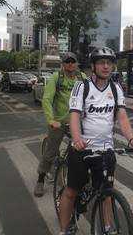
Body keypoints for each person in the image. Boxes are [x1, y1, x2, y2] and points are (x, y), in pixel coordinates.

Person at [58, 47, 133, 235]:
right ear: (93, 66)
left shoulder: (115, 88)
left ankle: (107, 228)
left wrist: (131, 139)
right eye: (101, 62)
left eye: (109, 63)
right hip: (82, 149)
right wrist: (77, 139)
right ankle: (64, 230)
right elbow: (74, 115)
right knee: (71, 192)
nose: (106, 66)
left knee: (106, 192)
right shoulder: (82, 87)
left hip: (106, 149)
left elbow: (121, 116)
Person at [34, 52, 86, 197]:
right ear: (62, 64)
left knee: (83, 149)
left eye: (73, 61)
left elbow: (91, 97)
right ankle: (41, 179)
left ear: (76, 64)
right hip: (58, 122)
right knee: (50, 153)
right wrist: (51, 120)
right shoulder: (57, 78)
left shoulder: (82, 78)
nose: (70, 64)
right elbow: (47, 99)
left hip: (75, 123)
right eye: (67, 62)